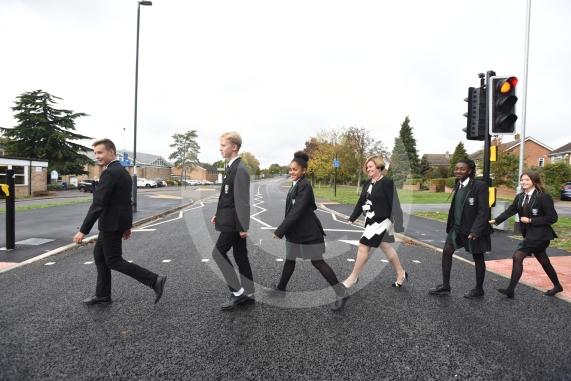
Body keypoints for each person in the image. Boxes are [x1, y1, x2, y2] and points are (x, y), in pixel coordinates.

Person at [74, 139, 166, 305]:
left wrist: (83, 230)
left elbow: (98, 203)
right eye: (95, 153)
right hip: (115, 224)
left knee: (114, 261)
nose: (97, 156)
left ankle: (154, 280)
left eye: (100, 152)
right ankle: (102, 294)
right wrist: (127, 226)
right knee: (99, 256)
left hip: (110, 225)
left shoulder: (110, 173)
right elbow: (126, 202)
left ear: (111, 152)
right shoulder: (123, 172)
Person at [269, 151, 348, 311]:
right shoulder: (296, 184)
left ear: (303, 171)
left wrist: (280, 230)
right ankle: (281, 290)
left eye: (295, 170)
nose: (292, 172)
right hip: (296, 232)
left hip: (308, 232)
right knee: (290, 259)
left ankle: (342, 293)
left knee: (317, 261)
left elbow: (297, 210)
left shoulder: (305, 185)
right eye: (290, 169)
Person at [490, 171, 563, 298]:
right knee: (543, 260)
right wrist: (496, 220)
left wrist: (531, 220)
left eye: (527, 180)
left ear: (534, 181)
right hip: (530, 235)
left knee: (517, 256)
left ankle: (510, 290)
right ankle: (557, 286)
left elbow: (552, 218)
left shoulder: (543, 197)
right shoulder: (520, 197)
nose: (524, 182)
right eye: (522, 180)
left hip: (541, 235)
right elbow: (510, 210)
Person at [429, 159, 491, 299]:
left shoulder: (479, 186)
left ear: (469, 171)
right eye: (456, 168)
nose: (458, 171)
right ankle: (445, 286)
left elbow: (483, 211)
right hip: (456, 229)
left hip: (472, 230)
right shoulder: (459, 185)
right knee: (446, 252)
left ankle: (479, 289)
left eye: (462, 169)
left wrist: (476, 230)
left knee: (478, 257)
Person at [343, 155, 406, 290]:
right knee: (386, 247)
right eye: (367, 167)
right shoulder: (368, 183)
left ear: (379, 167)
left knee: (363, 246)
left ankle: (353, 277)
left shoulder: (387, 182)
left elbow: (395, 203)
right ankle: (401, 273)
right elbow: (361, 202)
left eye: (370, 166)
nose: (368, 168)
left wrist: (399, 224)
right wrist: (352, 217)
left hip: (382, 221)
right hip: (370, 221)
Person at [211, 132, 254, 310]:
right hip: (230, 219)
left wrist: (244, 226)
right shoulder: (231, 167)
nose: (220, 148)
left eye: (223, 145)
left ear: (234, 147)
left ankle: (238, 293)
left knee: (218, 254)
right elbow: (227, 196)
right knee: (240, 255)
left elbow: (242, 201)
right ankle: (249, 292)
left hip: (235, 222)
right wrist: (218, 214)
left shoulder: (240, 169)